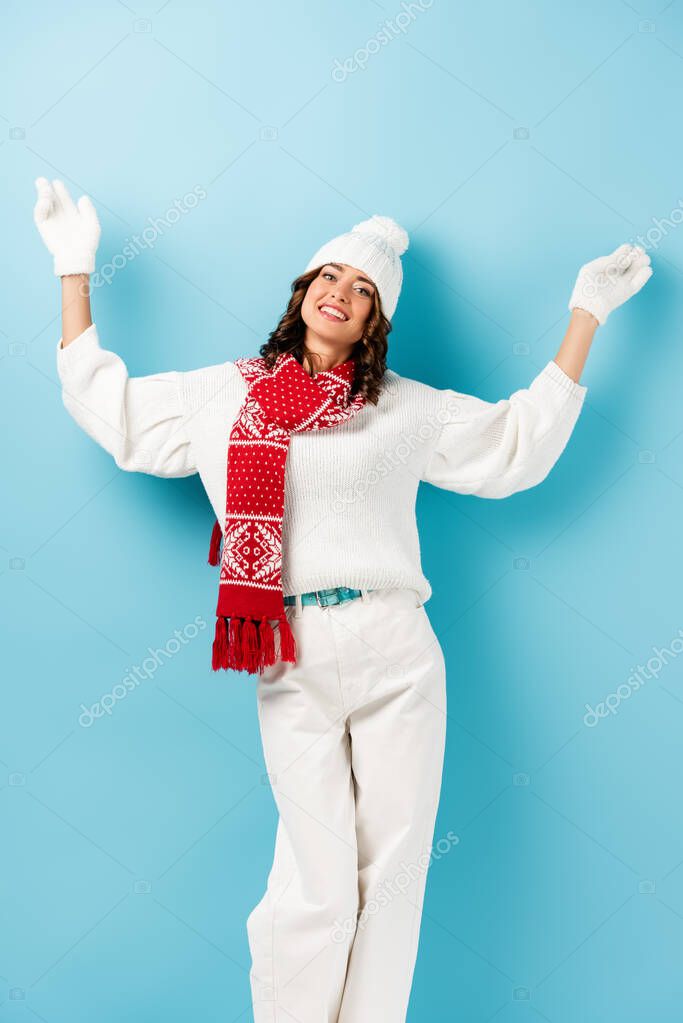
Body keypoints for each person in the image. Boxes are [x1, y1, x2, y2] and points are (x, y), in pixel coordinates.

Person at [33, 176, 652, 1022]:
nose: (342, 293)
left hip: (395, 643)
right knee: (314, 881)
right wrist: (74, 268)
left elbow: (515, 447)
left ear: (374, 323)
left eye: (364, 290)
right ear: (302, 293)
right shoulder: (226, 394)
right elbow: (111, 409)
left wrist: (586, 315)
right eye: (331, 276)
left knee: (391, 878)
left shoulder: (400, 408)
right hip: (286, 646)